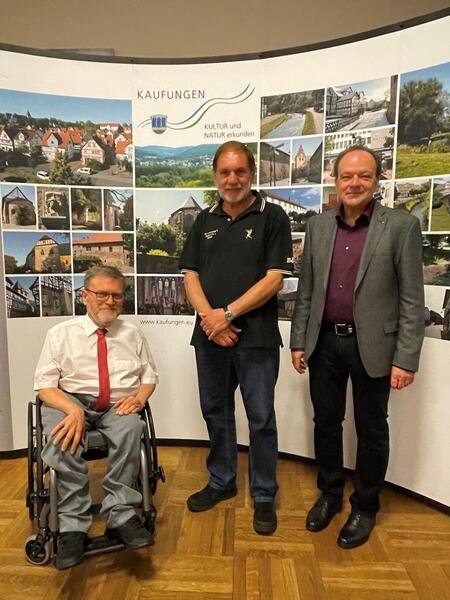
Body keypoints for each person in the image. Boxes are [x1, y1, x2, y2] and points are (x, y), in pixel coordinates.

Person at [290, 145, 424, 549]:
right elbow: (307, 290)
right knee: (326, 424)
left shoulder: (400, 226)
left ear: (377, 180)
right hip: (324, 343)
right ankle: (330, 494)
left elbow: (411, 300)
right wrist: (298, 340)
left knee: (372, 430)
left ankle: (365, 506)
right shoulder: (317, 226)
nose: (354, 183)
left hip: (374, 347)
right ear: (334, 179)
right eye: (346, 176)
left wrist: (406, 358)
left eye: (364, 175)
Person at [179, 140, 293, 535]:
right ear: (215, 176)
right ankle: (222, 481)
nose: (232, 179)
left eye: (240, 171)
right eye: (225, 172)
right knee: (216, 412)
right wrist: (211, 320)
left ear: (252, 174)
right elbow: (190, 276)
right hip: (209, 336)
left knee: (260, 418)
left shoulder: (273, 216)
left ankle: (263, 494)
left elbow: (275, 279)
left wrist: (226, 314)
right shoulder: (203, 220)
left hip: (256, 338)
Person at [34, 265, 158, 569]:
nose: (110, 301)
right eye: (102, 294)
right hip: (69, 400)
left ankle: (120, 514)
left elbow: (149, 375)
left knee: (131, 428)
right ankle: (72, 525)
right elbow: (45, 386)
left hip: (116, 404)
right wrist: (72, 409)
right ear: (85, 296)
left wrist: (140, 398)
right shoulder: (60, 334)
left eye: (117, 295)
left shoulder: (132, 333)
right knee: (64, 437)